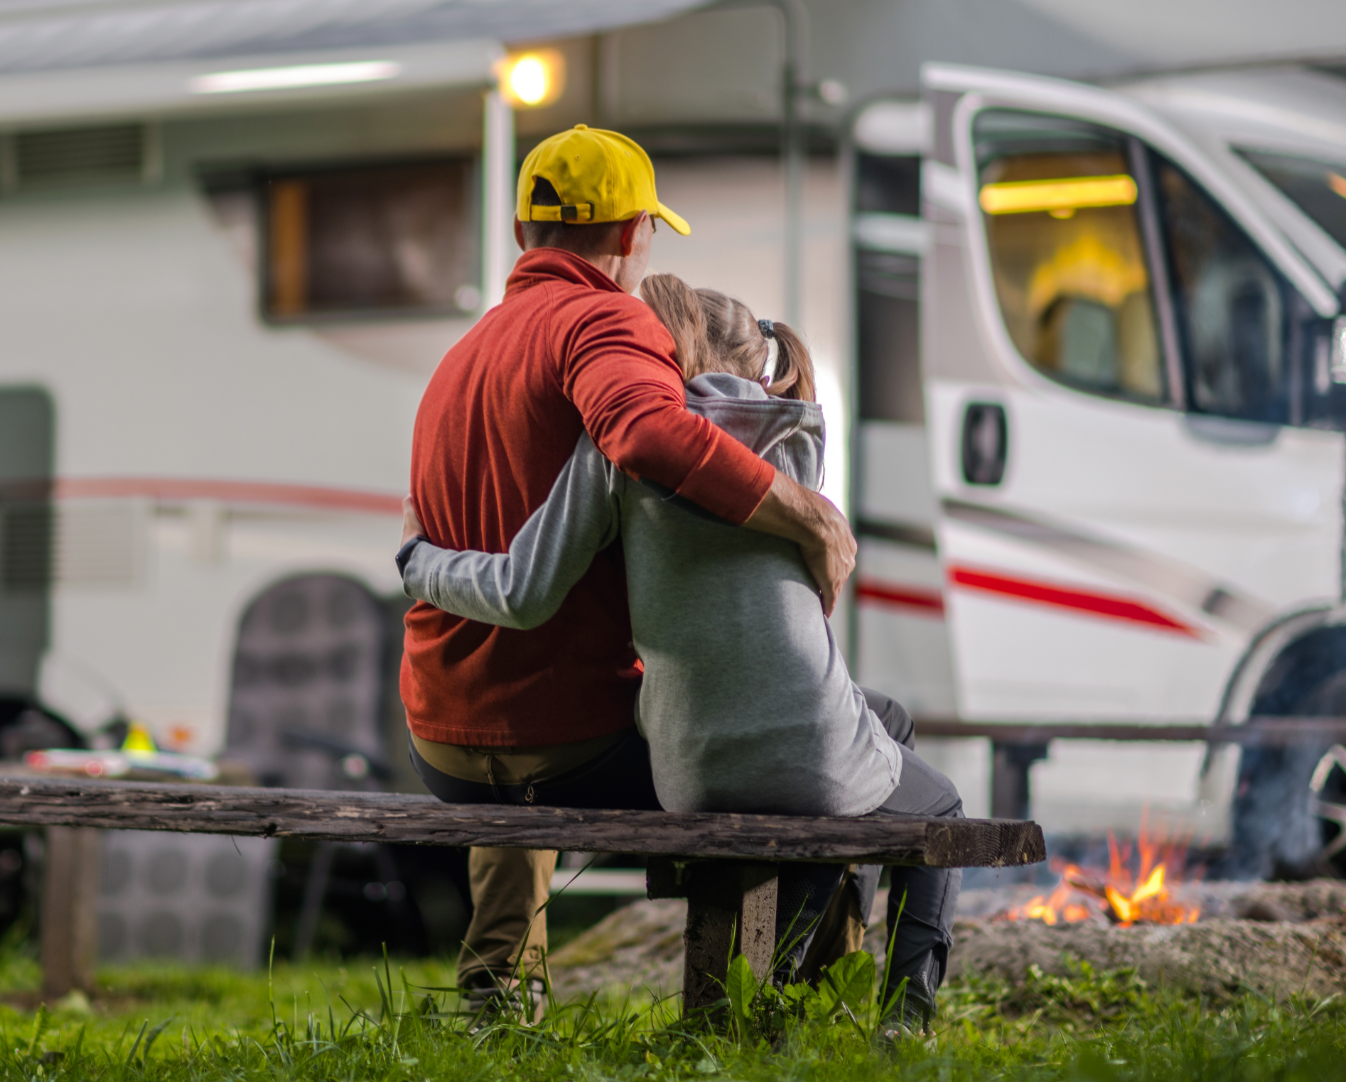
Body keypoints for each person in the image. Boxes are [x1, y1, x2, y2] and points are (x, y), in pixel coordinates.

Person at [400, 275, 964, 1027]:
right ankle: (885, 1010)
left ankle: (771, 986)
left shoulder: (602, 448)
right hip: (777, 744)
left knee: (859, 740)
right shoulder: (795, 439)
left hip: (683, 761)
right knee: (926, 800)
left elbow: (523, 589)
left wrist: (418, 559)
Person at [399, 125, 857, 1013]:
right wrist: (806, 516)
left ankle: (498, 999)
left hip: (440, 739)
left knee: (530, 698)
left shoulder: (463, 356)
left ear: (527, 231)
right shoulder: (604, 318)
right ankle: (796, 1004)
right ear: (632, 233)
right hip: (564, 744)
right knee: (767, 759)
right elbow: (648, 433)